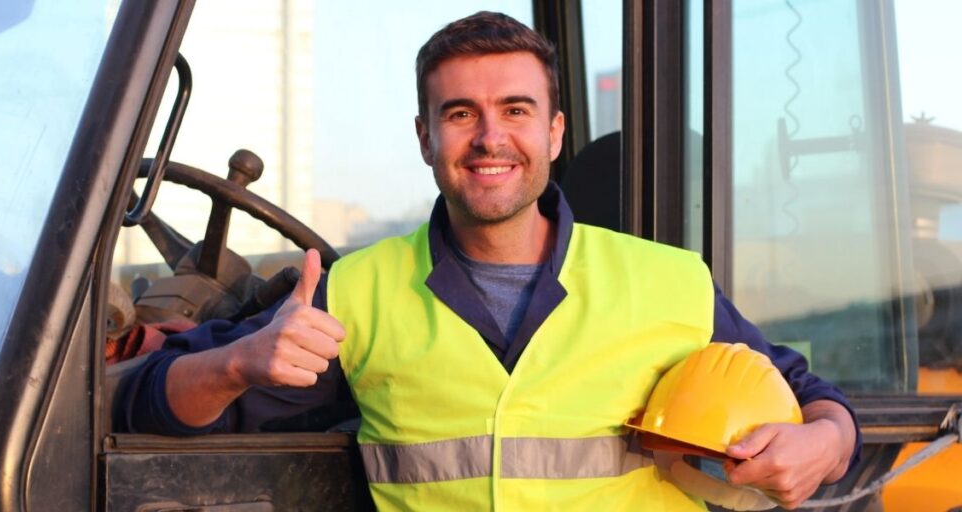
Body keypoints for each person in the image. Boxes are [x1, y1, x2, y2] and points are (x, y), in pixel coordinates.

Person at [121, 11, 859, 510]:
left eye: (515, 109)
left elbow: (820, 405)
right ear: (425, 137)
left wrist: (821, 443)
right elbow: (147, 404)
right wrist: (236, 363)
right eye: (460, 114)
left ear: (555, 130)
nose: (489, 138)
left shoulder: (669, 282)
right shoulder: (356, 292)